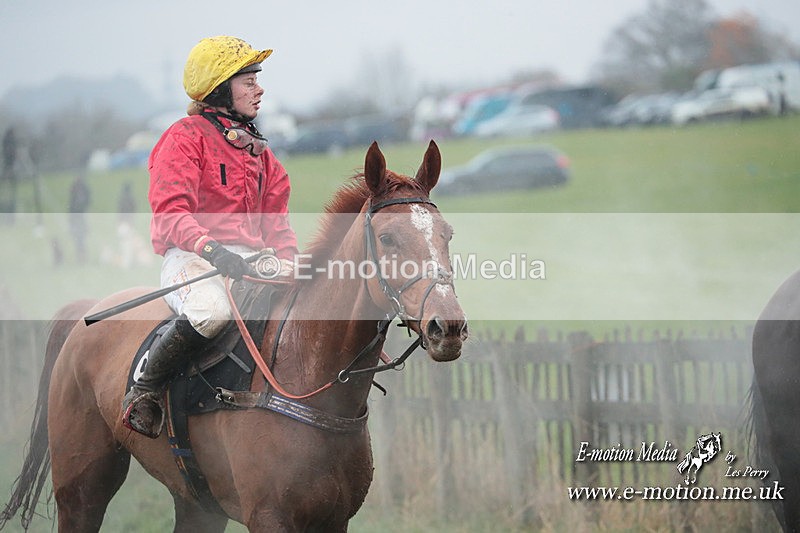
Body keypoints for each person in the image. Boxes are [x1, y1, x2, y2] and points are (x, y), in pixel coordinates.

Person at [122, 36, 299, 438]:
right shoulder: (184, 138)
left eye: (258, 78)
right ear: (219, 90)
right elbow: (171, 213)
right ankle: (145, 390)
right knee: (211, 311)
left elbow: (279, 226)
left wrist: (292, 264)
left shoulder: (262, 155)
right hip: (192, 259)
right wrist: (211, 249)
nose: (259, 88)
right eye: (248, 80)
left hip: (250, 261)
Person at [68, 173, 91, 263]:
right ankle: (82, 258)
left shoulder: (79, 190)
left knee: (80, 241)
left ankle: (82, 258)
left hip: (78, 219)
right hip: (78, 219)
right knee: (80, 241)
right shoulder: (82, 189)